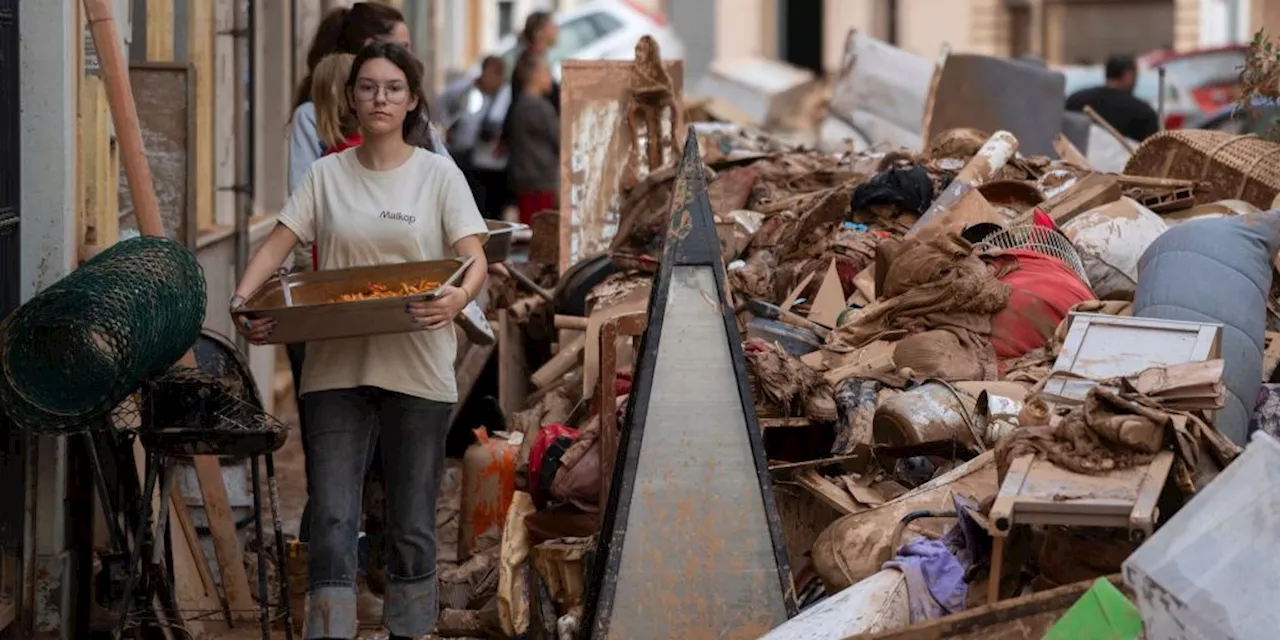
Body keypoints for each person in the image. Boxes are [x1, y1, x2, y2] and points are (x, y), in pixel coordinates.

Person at [233, 43, 489, 640]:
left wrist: (458, 296)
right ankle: (328, 630)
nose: (380, 98)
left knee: (411, 521)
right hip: (334, 371)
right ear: (351, 98)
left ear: (412, 100)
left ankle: (409, 629)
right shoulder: (326, 175)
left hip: (419, 367)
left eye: (393, 88)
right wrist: (243, 298)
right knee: (331, 515)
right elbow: (278, 242)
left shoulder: (438, 174)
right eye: (368, 87)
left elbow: (472, 259)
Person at [446, 56, 511, 219]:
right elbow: (446, 103)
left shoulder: (505, 95)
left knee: (493, 211)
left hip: (497, 164)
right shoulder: (471, 91)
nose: (487, 79)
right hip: (473, 160)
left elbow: (497, 124)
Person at [508, 54, 560, 227]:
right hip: (541, 182)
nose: (550, 78)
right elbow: (559, 140)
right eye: (547, 72)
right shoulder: (540, 107)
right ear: (535, 74)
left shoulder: (519, 103)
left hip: (525, 180)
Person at [1066, 54, 1160, 142]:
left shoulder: (1075, 100)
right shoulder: (1143, 111)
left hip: (1077, 158)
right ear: (1127, 75)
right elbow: (1152, 151)